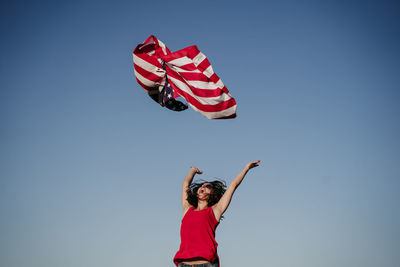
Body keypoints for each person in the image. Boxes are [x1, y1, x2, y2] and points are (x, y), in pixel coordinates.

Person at [173, 160, 261, 267]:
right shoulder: (187, 209)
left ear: (213, 193)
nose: (203, 187)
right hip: (184, 264)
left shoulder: (215, 210)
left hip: (206, 263)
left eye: (208, 186)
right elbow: (185, 184)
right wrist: (193, 171)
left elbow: (233, 186)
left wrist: (246, 168)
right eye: (201, 185)